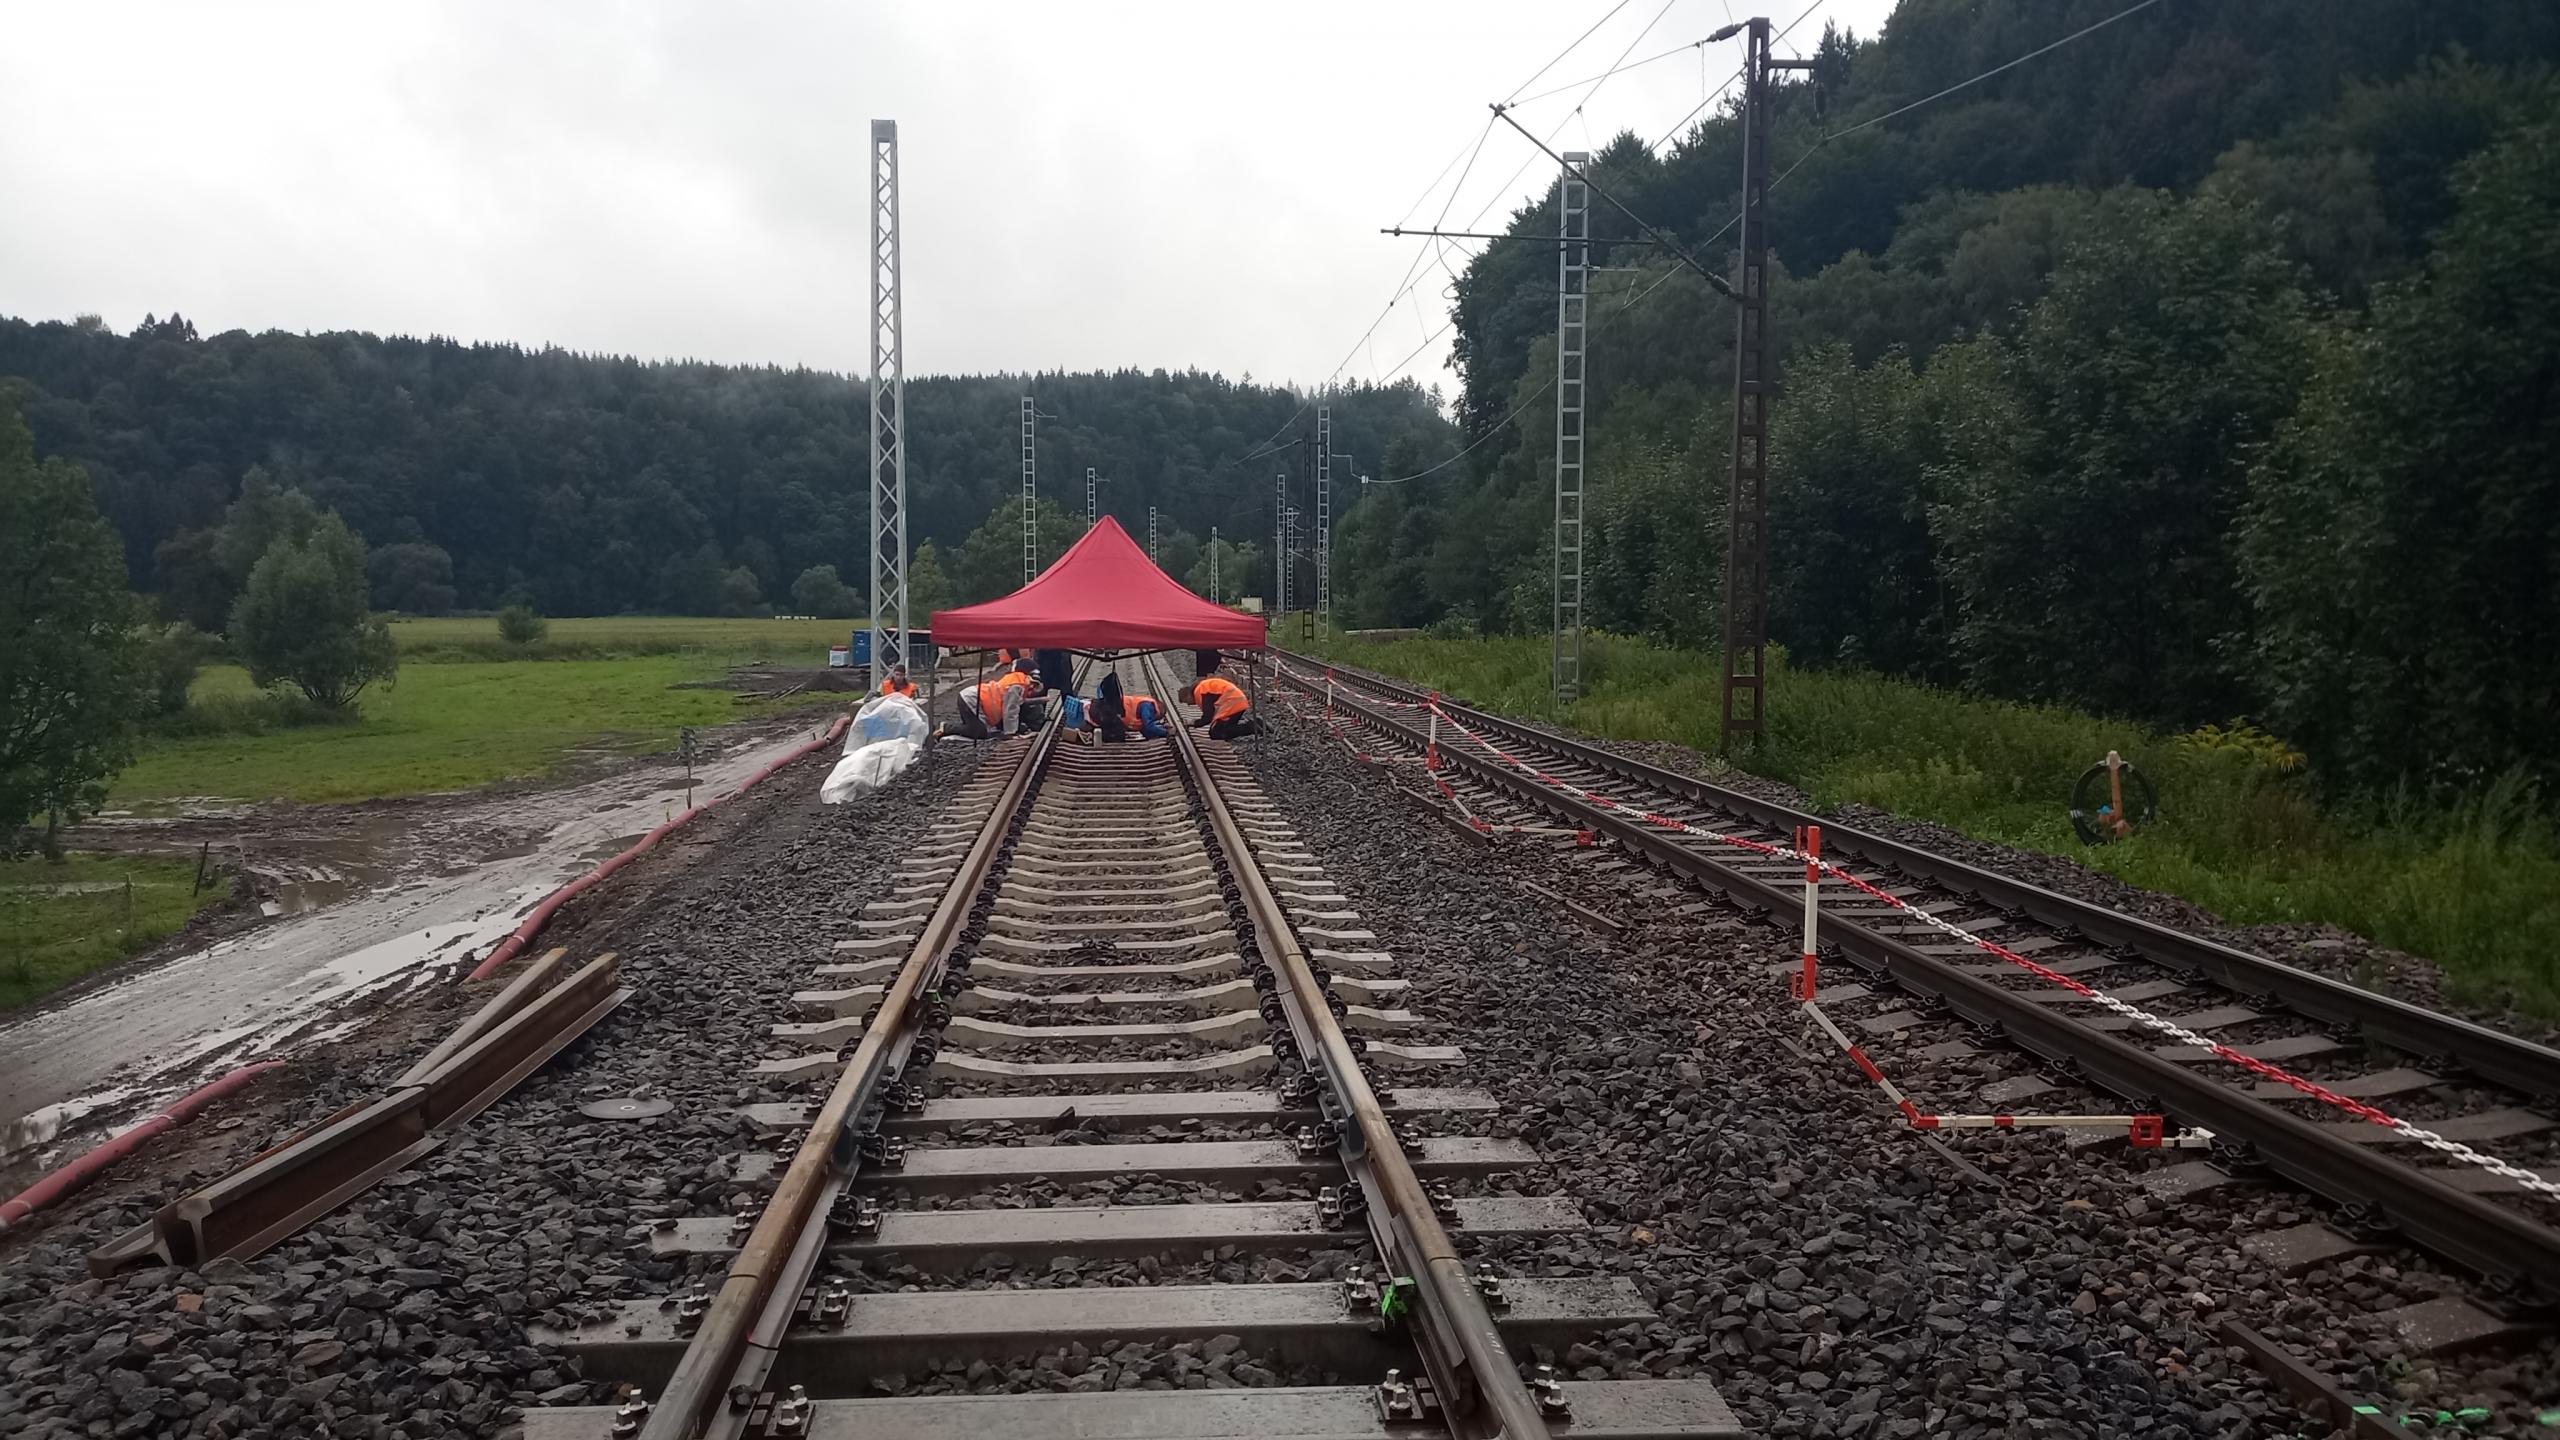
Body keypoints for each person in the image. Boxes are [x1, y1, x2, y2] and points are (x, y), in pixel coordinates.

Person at [950, 661, 1040, 739]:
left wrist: (1041, 700)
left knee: (976, 728)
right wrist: (1010, 734)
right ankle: (947, 727)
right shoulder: (1016, 686)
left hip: (973, 698)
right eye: (1034, 684)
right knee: (979, 731)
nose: (1032, 688)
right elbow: (1010, 709)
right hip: (972, 699)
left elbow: (1018, 703)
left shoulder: (1018, 681)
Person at [1182, 675, 1258, 739]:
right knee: (1223, 729)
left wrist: (1194, 723)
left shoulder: (1200, 691)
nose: (1189, 704)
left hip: (1233, 703)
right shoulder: (1202, 687)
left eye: (1186, 701)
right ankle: (1255, 725)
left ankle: (1252, 727)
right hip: (1237, 702)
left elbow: (1208, 716)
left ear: (1188, 696)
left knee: (1216, 732)